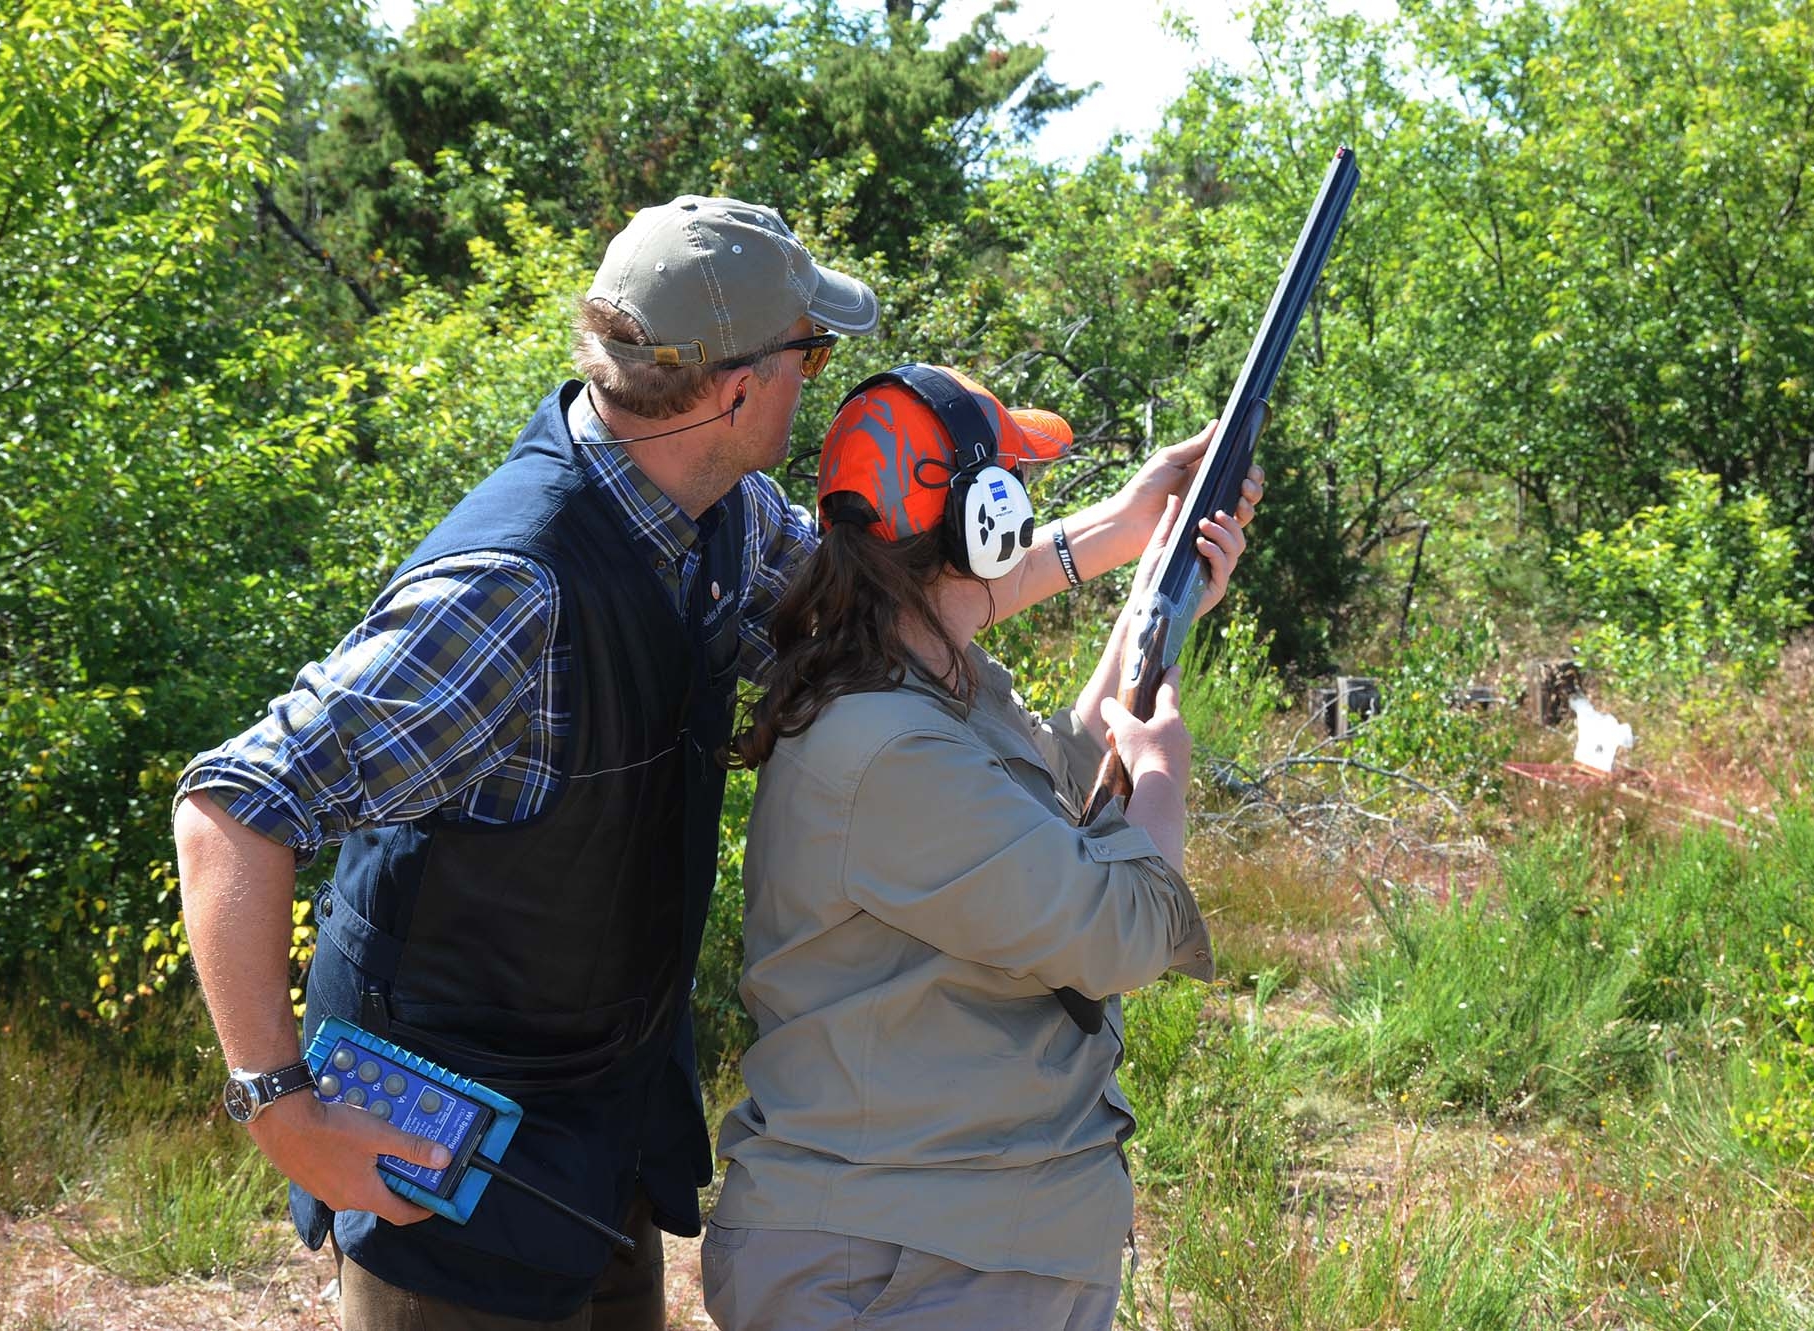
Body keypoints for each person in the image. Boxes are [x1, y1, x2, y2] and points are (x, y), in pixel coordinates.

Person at [170, 198, 1263, 1329]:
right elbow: (229, 808)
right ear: (738, 388)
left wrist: (1133, 536)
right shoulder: (511, 587)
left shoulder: (720, 517)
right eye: (812, 352)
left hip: (593, 1137)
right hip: (438, 1157)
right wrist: (281, 1107)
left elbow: (900, 598)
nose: (820, 377)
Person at [703, 364, 1243, 1331]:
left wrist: (1159, 597)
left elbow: (1054, 795)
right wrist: (1161, 774)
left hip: (940, 1247)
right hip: (905, 1264)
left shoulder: (920, 689)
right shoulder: (897, 745)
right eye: (1016, 492)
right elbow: (1114, 927)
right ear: (983, 522)